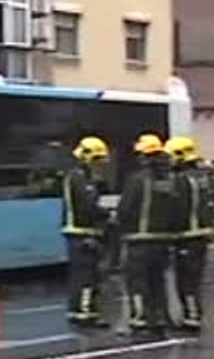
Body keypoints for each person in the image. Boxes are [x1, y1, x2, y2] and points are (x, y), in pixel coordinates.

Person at [116, 134, 180, 336]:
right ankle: (161, 317)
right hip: (162, 241)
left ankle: (141, 319)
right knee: (157, 281)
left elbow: (125, 209)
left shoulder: (137, 180)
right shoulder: (168, 179)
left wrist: (119, 225)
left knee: (137, 282)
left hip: (139, 241)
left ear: (144, 156)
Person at [167, 136, 214, 332]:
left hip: (187, 236)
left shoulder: (181, 180)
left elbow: (178, 209)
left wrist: (169, 232)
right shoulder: (203, 176)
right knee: (194, 279)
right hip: (201, 236)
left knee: (185, 280)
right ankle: (193, 315)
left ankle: (191, 318)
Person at [61, 136, 112, 327]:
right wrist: (106, 215)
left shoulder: (79, 176)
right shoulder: (79, 177)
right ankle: (86, 313)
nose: (100, 164)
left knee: (81, 274)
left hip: (79, 232)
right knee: (87, 275)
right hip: (82, 232)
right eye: (97, 160)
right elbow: (87, 206)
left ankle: (77, 311)